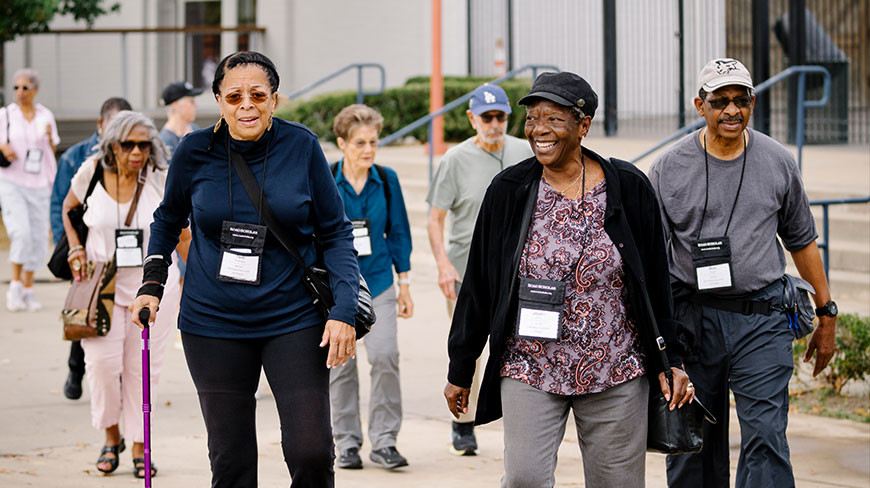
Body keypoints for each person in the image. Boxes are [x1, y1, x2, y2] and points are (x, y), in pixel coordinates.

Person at [444, 72, 694, 487]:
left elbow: (657, 281)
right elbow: (479, 286)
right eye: (533, 119)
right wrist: (461, 365)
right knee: (524, 478)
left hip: (615, 368)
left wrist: (673, 359)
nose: (539, 129)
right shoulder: (509, 191)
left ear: (583, 126)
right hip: (530, 365)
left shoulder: (628, 188)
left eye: (555, 119)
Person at [130, 51, 359, 488]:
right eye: (234, 96)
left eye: (258, 95)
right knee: (231, 459)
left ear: (274, 99)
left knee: (311, 451)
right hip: (212, 320)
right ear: (218, 100)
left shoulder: (302, 146)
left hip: (292, 316)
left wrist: (343, 309)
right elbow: (167, 220)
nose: (246, 105)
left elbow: (335, 232)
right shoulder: (194, 151)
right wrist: (151, 285)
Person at [650, 58, 837, 488]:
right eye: (720, 101)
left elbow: (802, 241)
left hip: (763, 315)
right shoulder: (668, 168)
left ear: (752, 103)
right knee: (692, 441)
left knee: (767, 438)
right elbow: (651, 262)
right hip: (693, 321)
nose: (732, 110)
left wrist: (826, 312)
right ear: (700, 105)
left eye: (742, 100)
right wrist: (659, 340)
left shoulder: (777, 161)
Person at [62, 110, 187, 478]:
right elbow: (70, 210)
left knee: (142, 370)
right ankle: (111, 435)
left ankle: (138, 446)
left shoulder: (160, 178)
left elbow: (182, 234)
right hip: (101, 287)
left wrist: (198, 277)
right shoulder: (92, 172)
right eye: (127, 144)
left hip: (155, 290)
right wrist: (75, 248)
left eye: (143, 144)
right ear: (111, 145)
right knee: (102, 366)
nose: (136, 151)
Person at [426, 83, 532, 455]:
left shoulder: (525, 152)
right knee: (470, 347)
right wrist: (442, 265)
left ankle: (521, 424)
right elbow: (435, 219)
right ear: (472, 118)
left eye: (500, 116)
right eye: (486, 117)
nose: (494, 123)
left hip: (518, 272)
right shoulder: (454, 160)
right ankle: (463, 423)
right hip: (465, 271)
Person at [328, 104, 414, 470]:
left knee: (384, 357)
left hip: (378, 280)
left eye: (373, 142)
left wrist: (405, 282)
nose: (368, 149)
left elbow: (398, 231)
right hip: (337, 286)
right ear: (342, 143)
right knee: (340, 364)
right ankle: (346, 442)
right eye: (359, 142)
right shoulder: (327, 179)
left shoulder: (387, 179)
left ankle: (384, 441)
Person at [51, 96, 132, 401]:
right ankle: (76, 369)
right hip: (90, 253)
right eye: (114, 127)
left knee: (122, 320)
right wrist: (73, 249)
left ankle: (122, 378)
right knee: (86, 312)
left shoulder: (135, 157)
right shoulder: (78, 158)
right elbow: (62, 205)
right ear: (101, 125)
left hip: (127, 253)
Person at [0, 68, 59, 312]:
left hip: (39, 182)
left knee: (37, 237)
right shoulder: (5, 115)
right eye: (16, 87)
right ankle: (14, 285)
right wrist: (4, 147)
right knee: (21, 232)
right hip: (12, 181)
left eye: (25, 87)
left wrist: (46, 138)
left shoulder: (45, 115)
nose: (20, 92)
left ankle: (28, 289)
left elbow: (52, 149)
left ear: (34, 89)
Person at [159, 81, 203, 157]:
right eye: (191, 101)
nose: (196, 105)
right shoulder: (165, 142)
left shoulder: (195, 129)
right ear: (176, 105)